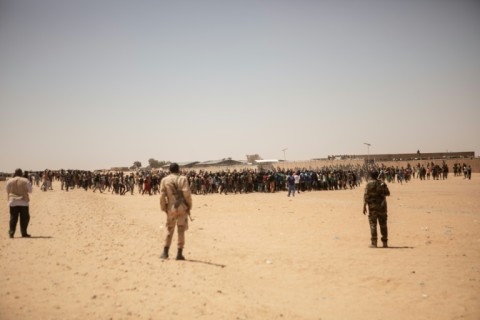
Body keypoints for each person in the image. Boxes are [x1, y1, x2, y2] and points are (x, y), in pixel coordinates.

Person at [159, 163, 192, 260]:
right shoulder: (183, 179)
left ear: (169, 170)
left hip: (171, 208)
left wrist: (164, 208)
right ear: (178, 170)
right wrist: (189, 206)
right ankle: (179, 253)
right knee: (181, 229)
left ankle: (165, 252)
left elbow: (162, 196)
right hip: (182, 207)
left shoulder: (164, 180)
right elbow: (187, 194)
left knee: (170, 229)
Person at [363, 171, 390, 248]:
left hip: (372, 207)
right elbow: (388, 193)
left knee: (373, 224)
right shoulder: (382, 183)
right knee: (383, 225)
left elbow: (366, 196)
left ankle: (374, 243)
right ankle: (385, 242)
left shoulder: (368, 184)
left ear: (371, 176)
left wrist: (364, 206)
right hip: (382, 207)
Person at [6, 168, 33, 238]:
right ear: (21, 173)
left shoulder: (9, 181)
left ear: (15, 173)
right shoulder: (25, 180)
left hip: (13, 201)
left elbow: (7, 190)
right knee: (24, 218)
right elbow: (30, 190)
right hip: (23, 202)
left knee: (13, 218)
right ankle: (24, 233)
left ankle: (11, 233)